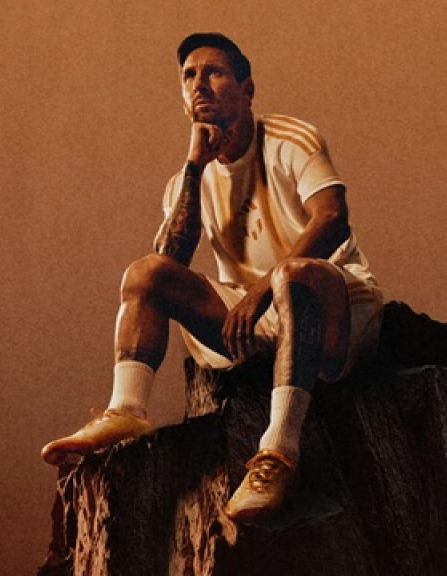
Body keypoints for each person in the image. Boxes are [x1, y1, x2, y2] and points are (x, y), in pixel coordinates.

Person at [41, 32, 383, 522]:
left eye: (214, 72)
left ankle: (278, 454)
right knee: (144, 273)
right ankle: (126, 411)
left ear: (247, 89)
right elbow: (169, 262)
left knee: (295, 276)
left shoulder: (291, 139)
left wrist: (261, 291)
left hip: (334, 307)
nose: (199, 84)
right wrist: (194, 167)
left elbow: (332, 220)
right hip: (254, 317)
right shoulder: (189, 178)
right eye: (189, 76)